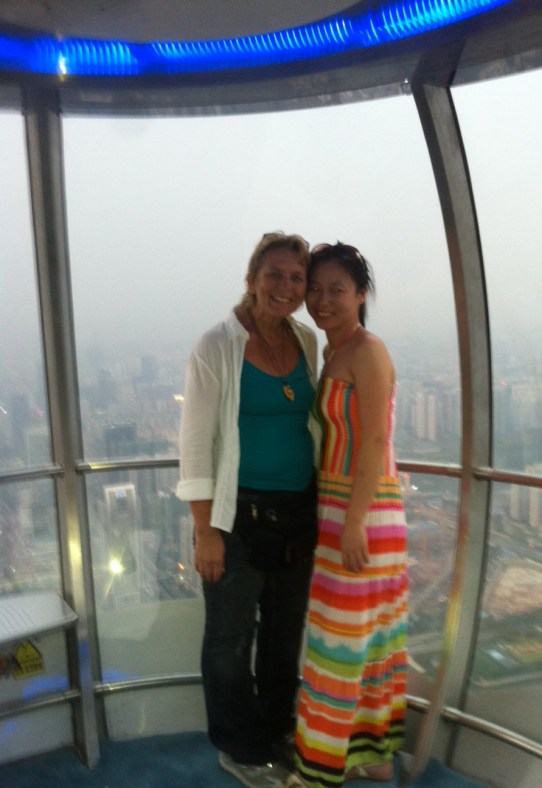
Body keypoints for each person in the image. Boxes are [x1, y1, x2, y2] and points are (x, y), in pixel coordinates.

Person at [177, 232, 320, 788]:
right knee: (230, 639)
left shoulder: (305, 339)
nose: (285, 286)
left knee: (285, 635)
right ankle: (239, 747)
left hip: (298, 512)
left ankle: (277, 730)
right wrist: (205, 531)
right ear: (252, 278)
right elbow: (195, 442)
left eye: (296, 278)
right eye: (274, 274)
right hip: (236, 516)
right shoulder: (218, 345)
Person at [289, 242, 408, 787]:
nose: (322, 299)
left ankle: (317, 771)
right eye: (314, 288)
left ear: (361, 294)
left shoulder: (367, 350)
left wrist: (354, 521)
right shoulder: (332, 351)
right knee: (361, 641)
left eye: (336, 289)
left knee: (336, 648)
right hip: (341, 506)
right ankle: (372, 755)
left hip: (364, 512)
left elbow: (376, 440)